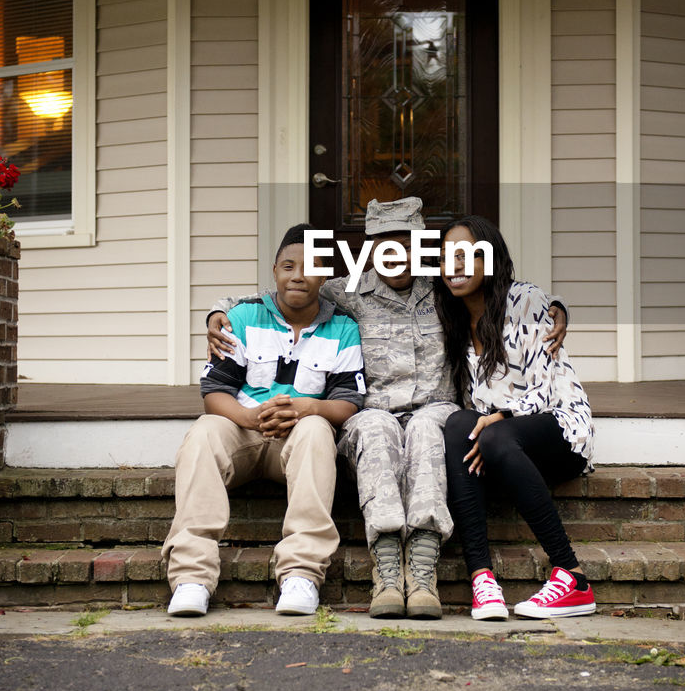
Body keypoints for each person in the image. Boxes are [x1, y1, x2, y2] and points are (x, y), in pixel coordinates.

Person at [208, 198, 568, 620]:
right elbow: (290, 288)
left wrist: (556, 306)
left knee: (428, 428)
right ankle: (387, 567)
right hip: (372, 411)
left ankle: (423, 567)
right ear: (370, 250)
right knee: (377, 428)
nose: (395, 255)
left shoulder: (443, 287)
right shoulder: (349, 291)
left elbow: (503, 289)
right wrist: (219, 310)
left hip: (436, 408)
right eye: (384, 245)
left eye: (406, 244)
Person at [163, 224, 365, 618]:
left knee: (317, 429)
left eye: (311, 267)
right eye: (288, 266)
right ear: (274, 271)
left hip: (296, 443)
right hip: (242, 433)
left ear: (326, 276)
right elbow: (214, 393)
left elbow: (347, 404)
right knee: (205, 431)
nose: (298, 275)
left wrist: (309, 408)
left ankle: (301, 573)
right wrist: (250, 417)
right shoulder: (242, 317)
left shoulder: (343, 328)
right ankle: (191, 577)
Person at [434, 215, 596, 621]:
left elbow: (542, 388)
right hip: (502, 440)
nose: (454, 266)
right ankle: (482, 580)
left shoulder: (527, 299)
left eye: (466, 255)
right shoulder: (450, 316)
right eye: (445, 257)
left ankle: (572, 577)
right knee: (457, 425)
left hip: (558, 427)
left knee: (491, 436)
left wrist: (500, 417)